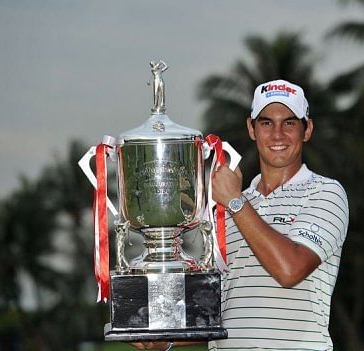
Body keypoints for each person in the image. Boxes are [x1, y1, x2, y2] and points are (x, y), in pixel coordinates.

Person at [133, 79, 349, 351]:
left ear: (307, 130)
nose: (277, 135)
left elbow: (289, 270)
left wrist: (235, 201)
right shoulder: (225, 209)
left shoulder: (326, 193)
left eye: (290, 123)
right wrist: (166, 339)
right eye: (266, 123)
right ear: (252, 128)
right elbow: (219, 308)